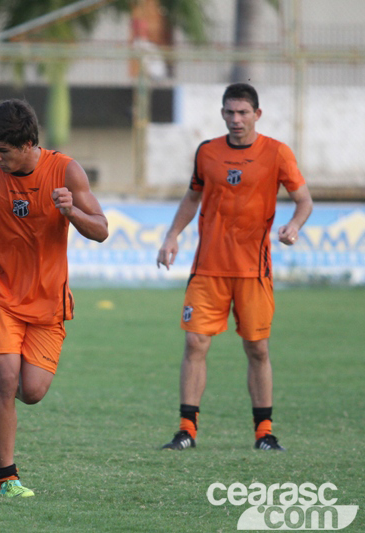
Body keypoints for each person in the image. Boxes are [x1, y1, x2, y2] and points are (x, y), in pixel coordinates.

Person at [0, 99, 109, 497]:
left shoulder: (65, 171)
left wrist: (72, 211)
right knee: (8, 379)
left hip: (48, 302)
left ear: (27, 144)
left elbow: (101, 229)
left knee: (33, 391)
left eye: (3, 151)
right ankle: (7, 478)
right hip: (0, 293)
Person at [157, 83, 313, 452]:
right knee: (195, 342)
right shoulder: (207, 152)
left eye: (243, 112)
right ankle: (186, 431)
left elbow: (304, 200)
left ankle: (264, 433)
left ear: (257, 114)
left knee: (257, 348)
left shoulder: (277, 153)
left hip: (253, 271)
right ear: (222, 113)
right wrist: (172, 236)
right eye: (229, 112)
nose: (235, 119)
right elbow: (193, 195)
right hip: (208, 268)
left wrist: (294, 225)